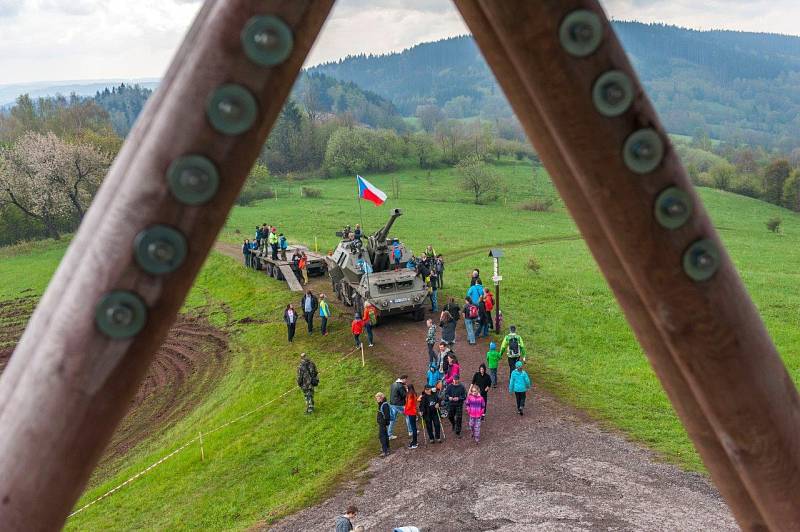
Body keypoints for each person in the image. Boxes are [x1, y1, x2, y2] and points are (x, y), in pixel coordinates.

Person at [388, 375, 408, 440]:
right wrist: (406, 389)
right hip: (399, 404)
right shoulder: (400, 386)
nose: (406, 381)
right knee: (408, 416)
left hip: (392, 404)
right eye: (405, 379)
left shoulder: (393, 384)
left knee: (392, 419)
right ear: (403, 379)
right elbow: (404, 395)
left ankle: (389, 434)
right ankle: (411, 431)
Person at [375, 392, 391, 457]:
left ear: (381, 397)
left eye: (377, 397)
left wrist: (384, 422)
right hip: (382, 423)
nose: (376, 399)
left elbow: (387, 416)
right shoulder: (381, 404)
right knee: (385, 435)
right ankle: (387, 448)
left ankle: (385, 451)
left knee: (382, 437)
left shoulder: (384, 405)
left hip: (383, 423)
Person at [404, 384, 419, 449]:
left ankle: (414, 442)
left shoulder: (410, 395)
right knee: (414, 427)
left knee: (413, 428)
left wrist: (405, 410)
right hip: (414, 411)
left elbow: (409, 404)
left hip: (411, 412)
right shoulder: (414, 393)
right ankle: (414, 441)